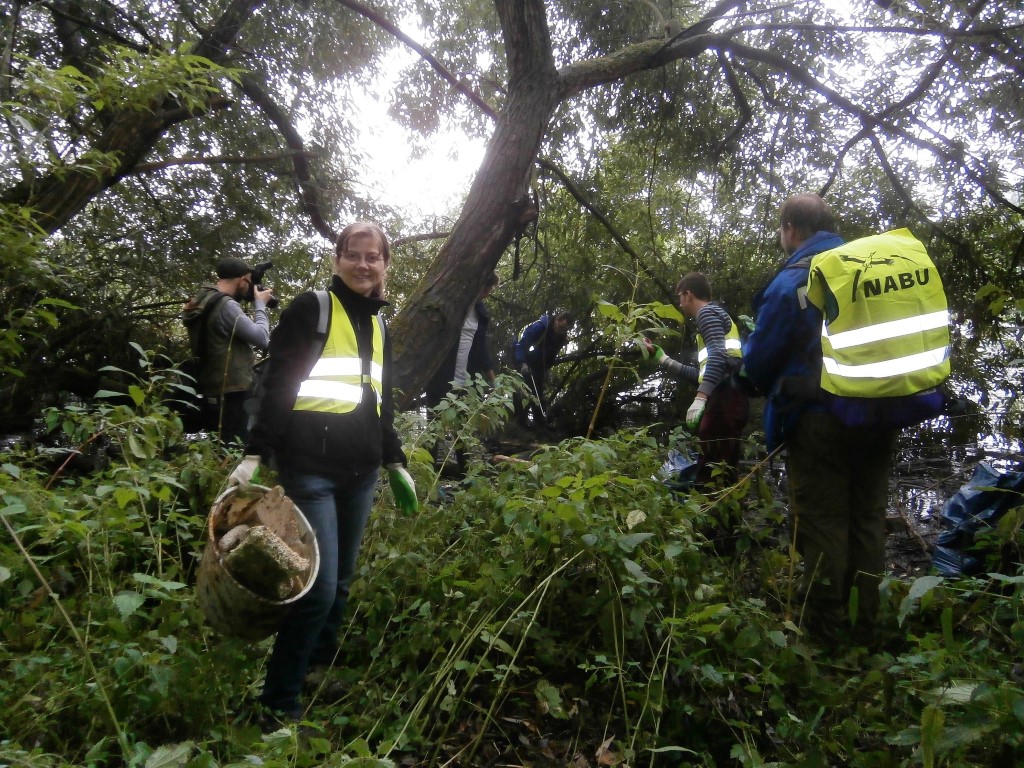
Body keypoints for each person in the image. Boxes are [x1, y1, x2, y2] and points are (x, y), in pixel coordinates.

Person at [227, 221, 417, 724]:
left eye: (373, 257)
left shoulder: (379, 323)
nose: (363, 264)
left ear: (384, 265)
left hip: (361, 472)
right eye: (354, 255)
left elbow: (380, 400)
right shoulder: (312, 308)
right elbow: (280, 383)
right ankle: (277, 702)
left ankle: (313, 670)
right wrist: (255, 452)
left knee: (344, 583)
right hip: (310, 470)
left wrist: (394, 459)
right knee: (318, 588)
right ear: (338, 259)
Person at [742, 193, 919, 647]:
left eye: (781, 230)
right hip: (880, 412)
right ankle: (869, 628)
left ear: (791, 229)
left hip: (820, 418)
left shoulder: (796, 280)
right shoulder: (867, 270)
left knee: (823, 524)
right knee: (866, 518)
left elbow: (759, 362)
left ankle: (826, 635)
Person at [644, 272, 749, 487]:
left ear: (688, 295)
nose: (680, 304)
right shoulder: (716, 316)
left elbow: (718, 358)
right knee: (724, 472)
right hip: (731, 398)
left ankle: (712, 517)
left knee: (712, 474)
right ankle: (725, 517)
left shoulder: (707, 313)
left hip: (725, 401)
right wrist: (663, 359)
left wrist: (701, 398)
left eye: (680, 298)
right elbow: (704, 375)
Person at [182, 257, 273, 444]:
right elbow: (262, 339)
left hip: (211, 388)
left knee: (220, 448)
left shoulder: (200, 299)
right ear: (241, 280)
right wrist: (260, 305)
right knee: (234, 449)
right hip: (233, 393)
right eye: (248, 282)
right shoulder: (225, 305)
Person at [423, 272, 500, 476]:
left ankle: (465, 477)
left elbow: (481, 349)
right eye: (486, 288)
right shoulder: (452, 306)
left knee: (463, 431)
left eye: (490, 290)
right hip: (440, 377)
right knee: (434, 428)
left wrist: (493, 380)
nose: (487, 293)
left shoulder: (480, 313)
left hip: (466, 381)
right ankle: (426, 476)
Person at [513, 310, 574, 428]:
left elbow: (550, 355)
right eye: (561, 327)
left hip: (538, 364)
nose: (561, 331)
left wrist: (546, 368)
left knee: (537, 391)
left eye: (565, 329)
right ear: (557, 320)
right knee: (523, 389)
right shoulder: (540, 327)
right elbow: (522, 342)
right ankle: (519, 422)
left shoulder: (559, 338)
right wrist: (522, 363)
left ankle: (539, 424)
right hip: (524, 358)